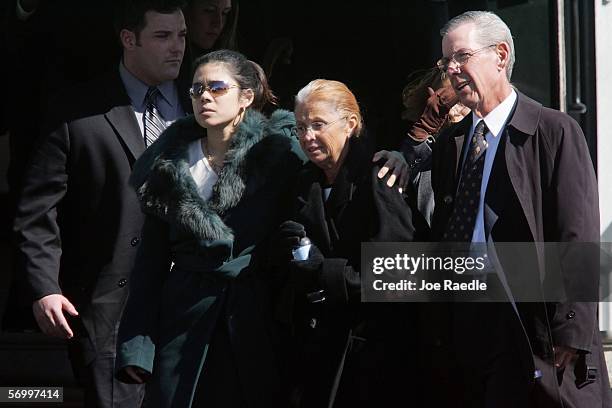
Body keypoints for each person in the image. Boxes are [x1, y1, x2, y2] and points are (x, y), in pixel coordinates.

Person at [12, 0, 189, 406]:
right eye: (162, 36)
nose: (176, 47)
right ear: (129, 39)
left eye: (181, 35)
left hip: (191, 306)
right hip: (111, 311)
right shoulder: (76, 112)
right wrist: (44, 287)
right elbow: (38, 211)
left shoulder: (208, 103)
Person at [430, 11, 611, 407]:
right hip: (467, 318)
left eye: (462, 56)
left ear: (500, 54)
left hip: (531, 324)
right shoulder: (452, 143)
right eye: (446, 62)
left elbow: (576, 233)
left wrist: (572, 332)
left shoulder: (553, 130)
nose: (452, 70)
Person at [115, 49, 305, 408]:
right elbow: (149, 265)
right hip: (184, 318)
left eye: (217, 88)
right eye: (196, 89)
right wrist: (138, 348)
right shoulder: (167, 166)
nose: (204, 96)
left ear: (246, 96)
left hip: (250, 319)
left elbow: (331, 177)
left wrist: (400, 157)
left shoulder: (279, 154)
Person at [274, 79, 416, 407]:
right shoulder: (300, 183)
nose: (307, 137)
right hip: (314, 353)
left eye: (318, 124)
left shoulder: (379, 178)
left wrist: (325, 272)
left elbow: (395, 274)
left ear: (350, 124)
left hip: (368, 355)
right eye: (301, 127)